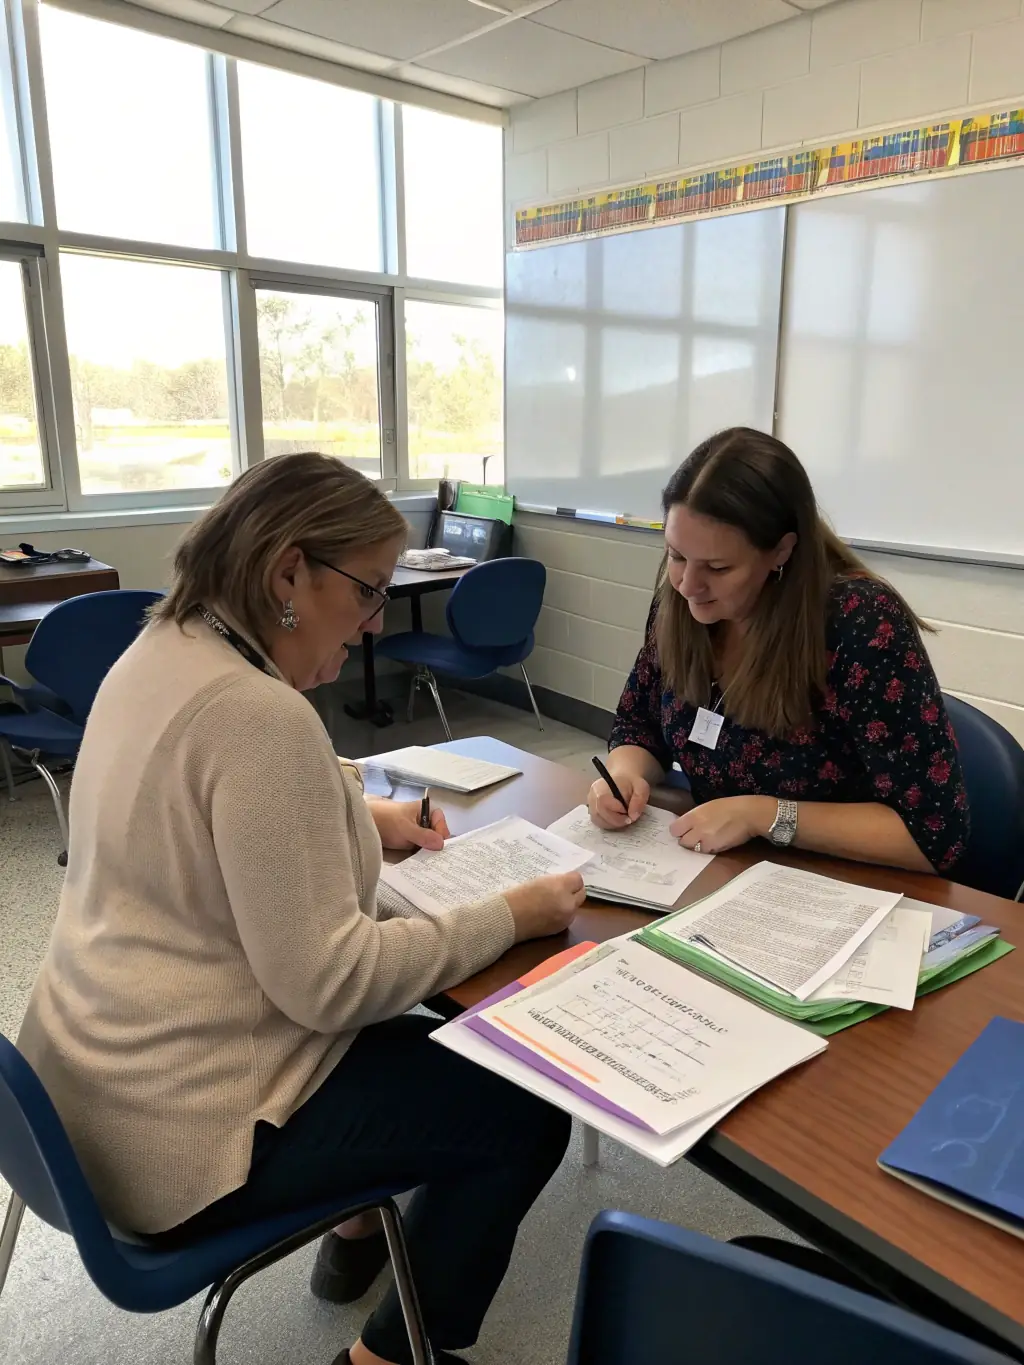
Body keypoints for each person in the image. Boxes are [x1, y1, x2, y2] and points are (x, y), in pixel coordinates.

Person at [17, 453, 585, 1365]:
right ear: (288, 571)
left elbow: (202, 817)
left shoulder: (159, 646)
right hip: (179, 1133)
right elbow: (330, 983)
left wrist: (361, 816)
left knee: (411, 1046)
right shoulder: (260, 716)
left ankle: (358, 1233)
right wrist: (510, 916)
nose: (370, 622)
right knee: (522, 1104)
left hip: (82, 1082)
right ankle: (386, 1357)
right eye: (367, 593)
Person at [589, 428, 969, 874]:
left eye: (718, 567)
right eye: (675, 555)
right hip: (725, 869)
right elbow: (640, 724)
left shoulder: (859, 622)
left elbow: (932, 837)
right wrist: (624, 774)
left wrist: (764, 815)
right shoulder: (680, 605)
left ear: (781, 550)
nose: (688, 585)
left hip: (845, 885)